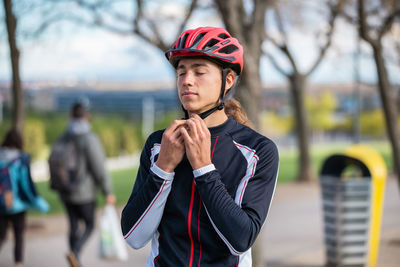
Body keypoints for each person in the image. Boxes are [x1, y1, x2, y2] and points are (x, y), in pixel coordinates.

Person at [121, 26, 279, 266]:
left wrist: (204, 169)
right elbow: (133, 236)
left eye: (199, 71)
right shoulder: (157, 144)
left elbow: (241, 239)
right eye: (181, 72)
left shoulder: (258, 151)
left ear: (228, 80)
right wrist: (163, 167)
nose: (187, 81)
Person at [54, 100, 116, 267]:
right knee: (89, 224)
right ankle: (75, 252)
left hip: (65, 190)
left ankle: (74, 258)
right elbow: (99, 168)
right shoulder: (89, 138)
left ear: (71, 116)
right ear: (86, 116)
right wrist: (107, 191)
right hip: (85, 192)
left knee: (73, 224)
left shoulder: (64, 136)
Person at [0, 128, 49, 267]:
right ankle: (18, 263)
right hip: (18, 204)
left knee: (1, 235)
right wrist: (37, 201)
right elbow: (26, 184)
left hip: (1, 203)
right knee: (19, 235)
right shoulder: (21, 160)